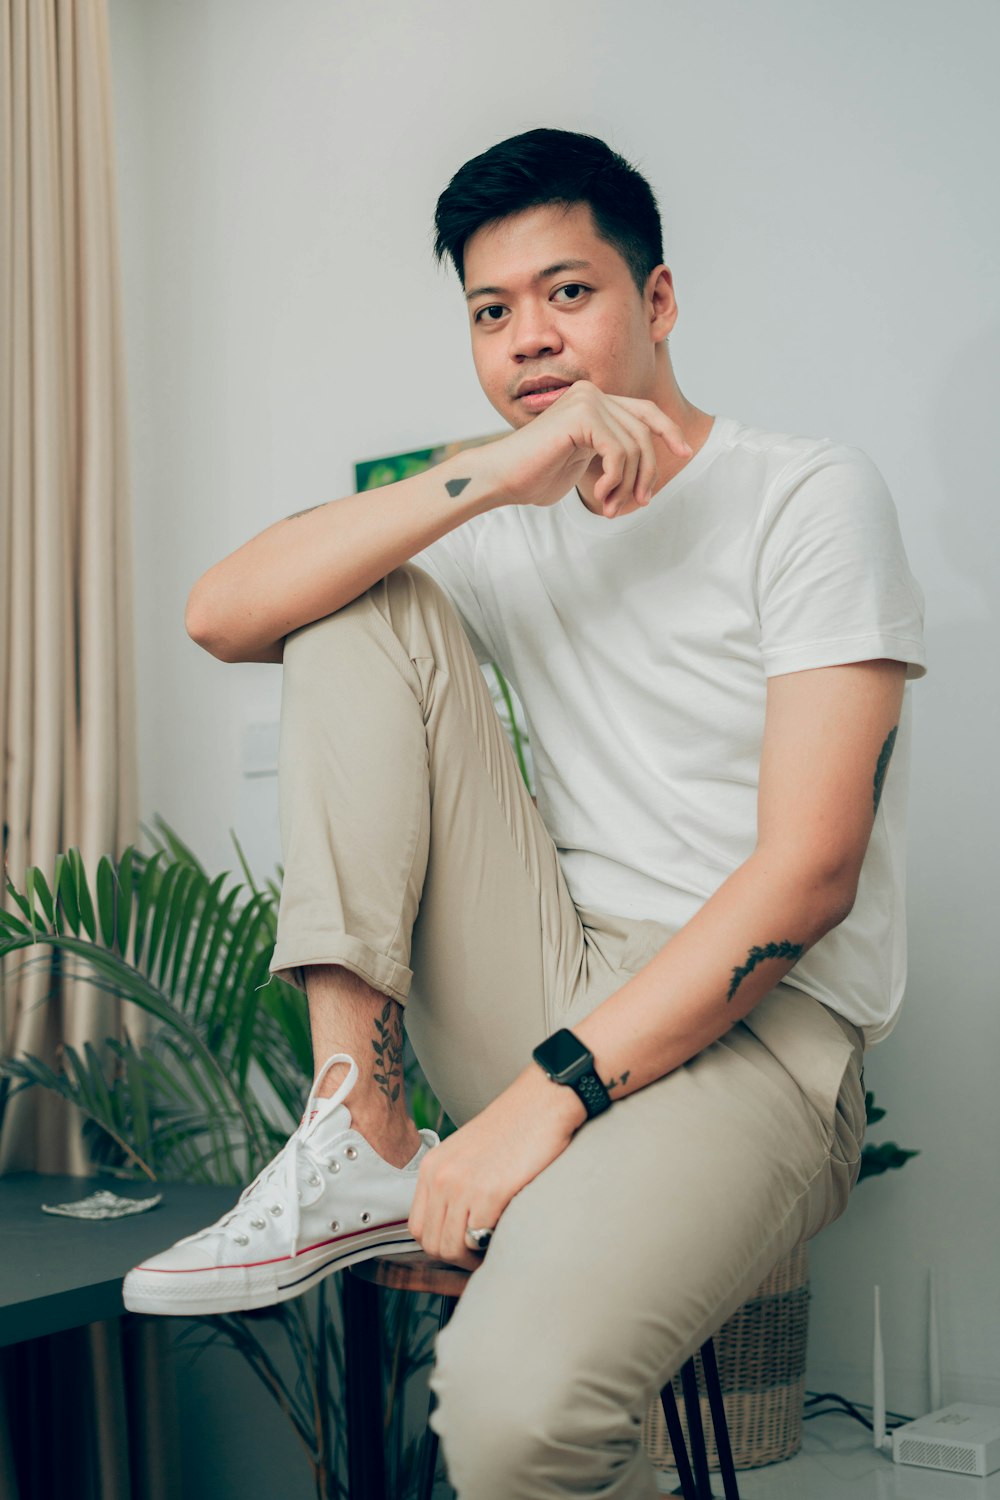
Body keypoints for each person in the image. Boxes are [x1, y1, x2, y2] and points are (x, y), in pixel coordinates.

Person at [123, 127, 926, 1498]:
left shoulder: (806, 494)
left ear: (657, 303)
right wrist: (493, 474)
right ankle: (358, 1137)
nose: (531, 338)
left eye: (570, 293)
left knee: (506, 1414)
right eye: (493, 313)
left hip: (756, 1038)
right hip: (551, 966)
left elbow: (809, 876)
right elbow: (222, 613)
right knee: (355, 591)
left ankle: (446, 1150)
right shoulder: (511, 512)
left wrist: (541, 1102)